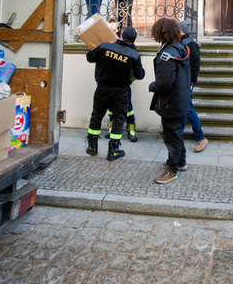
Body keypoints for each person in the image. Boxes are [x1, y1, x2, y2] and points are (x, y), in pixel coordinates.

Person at [85, 27, 145, 161]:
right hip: (121, 90)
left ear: (121, 35)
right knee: (119, 118)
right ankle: (113, 150)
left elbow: (90, 58)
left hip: (102, 88)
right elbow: (140, 75)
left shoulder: (104, 47)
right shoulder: (133, 55)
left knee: (97, 115)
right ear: (133, 41)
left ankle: (92, 146)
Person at [148, 17, 191, 184]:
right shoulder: (180, 48)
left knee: (171, 136)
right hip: (180, 99)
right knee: (177, 133)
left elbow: (165, 82)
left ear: (160, 33)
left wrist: (153, 85)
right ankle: (181, 162)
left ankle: (172, 169)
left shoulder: (167, 54)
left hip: (170, 101)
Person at [179, 20, 207, 152]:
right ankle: (179, 135)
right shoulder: (180, 43)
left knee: (188, 109)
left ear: (181, 31)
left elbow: (195, 66)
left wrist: (191, 83)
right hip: (181, 82)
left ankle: (200, 137)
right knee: (185, 109)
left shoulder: (191, 45)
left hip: (187, 82)